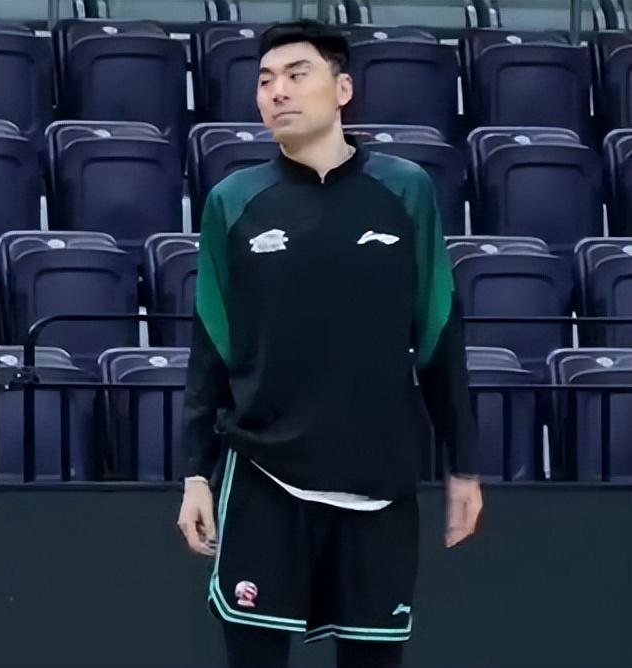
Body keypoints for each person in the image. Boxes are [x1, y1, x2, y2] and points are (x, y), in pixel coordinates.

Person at [175, 20, 484, 668]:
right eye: (265, 81)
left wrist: (464, 465)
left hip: (379, 483)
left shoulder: (406, 190)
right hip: (262, 474)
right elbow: (211, 344)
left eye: (297, 74)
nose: (277, 92)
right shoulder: (233, 200)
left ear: (343, 89)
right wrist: (196, 474)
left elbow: (437, 332)